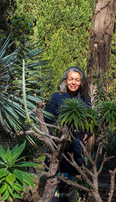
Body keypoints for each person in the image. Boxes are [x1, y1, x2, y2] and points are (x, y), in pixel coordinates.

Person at [44, 66, 91, 202]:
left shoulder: (84, 99)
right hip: (58, 148)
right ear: (65, 80)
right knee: (56, 185)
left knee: (70, 184)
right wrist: (55, 138)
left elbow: (90, 120)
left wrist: (86, 135)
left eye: (77, 80)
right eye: (71, 79)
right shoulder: (56, 97)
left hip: (75, 149)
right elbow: (47, 120)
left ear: (81, 82)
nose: (74, 83)